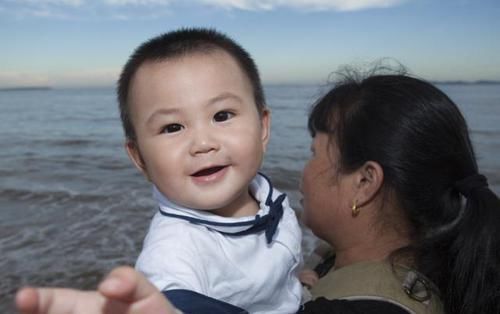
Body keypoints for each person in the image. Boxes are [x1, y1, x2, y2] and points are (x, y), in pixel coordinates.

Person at [16, 71, 500, 314]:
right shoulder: (423, 256)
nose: (303, 173)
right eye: (172, 127)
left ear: (365, 182)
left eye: (314, 154)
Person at [21, 27, 303, 314]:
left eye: (222, 116)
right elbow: (172, 299)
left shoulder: (266, 195)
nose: (203, 144)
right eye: (172, 127)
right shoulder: (174, 252)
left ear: (263, 127)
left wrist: (288, 280)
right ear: (140, 158)